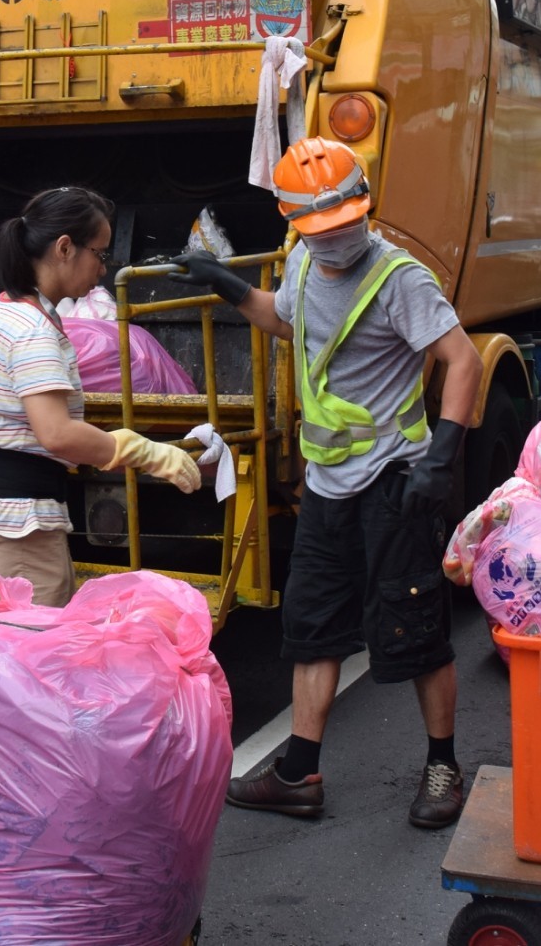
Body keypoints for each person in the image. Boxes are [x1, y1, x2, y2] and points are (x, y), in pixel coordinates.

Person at [173, 138, 482, 830]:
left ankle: (443, 765)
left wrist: (443, 456)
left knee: (415, 627)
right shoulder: (305, 262)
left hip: (395, 482)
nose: (338, 238)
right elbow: (287, 322)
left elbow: (461, 361)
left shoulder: (401, 278)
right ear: (294, 220)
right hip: (327, 486)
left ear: (364, 205)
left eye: (347, 223)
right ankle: (298, 772)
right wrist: (225, 281)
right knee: (312, 629)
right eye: (321, 229)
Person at [0, 186, 202, 607]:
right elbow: (57, 434)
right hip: (13, 530)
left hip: (16, 525)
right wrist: (139, 449)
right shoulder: (31, 330)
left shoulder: (12, 309)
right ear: (65, 248)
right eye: (99, 254)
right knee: (25, 665)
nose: (102, 269)